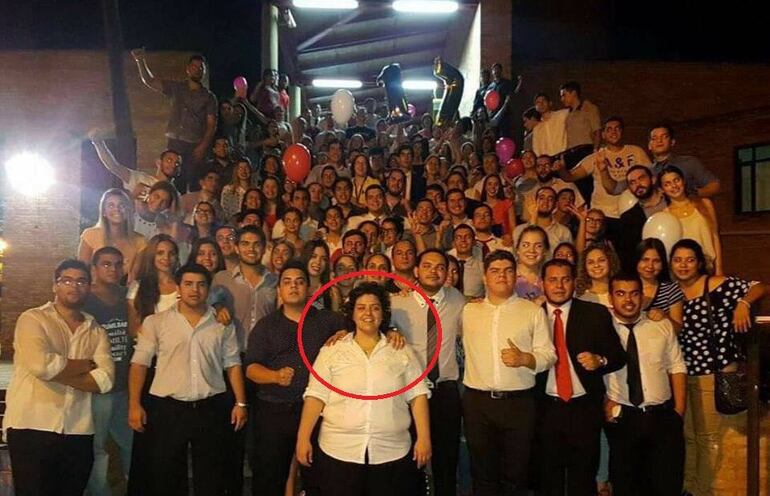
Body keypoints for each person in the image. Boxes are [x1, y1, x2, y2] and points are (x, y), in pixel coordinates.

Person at [296, 282, 432, 496]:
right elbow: (315, 396)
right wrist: (303, 438)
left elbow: (418, 396)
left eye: (375, 307)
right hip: (339, 450)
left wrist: (424, 438)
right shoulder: (332, 350)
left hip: (391, 450)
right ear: (351, 313)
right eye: (361, 307)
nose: (368, 313)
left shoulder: (401, 350)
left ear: (383, 314)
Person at [128, 264, 247, 496]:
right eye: (189, 284)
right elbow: (139, 364)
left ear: (208, 289)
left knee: (211, 475)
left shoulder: (222, 324)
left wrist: (241, 403)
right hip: (167, 408)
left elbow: (233, 364)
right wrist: (134, 405)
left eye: (201, 284)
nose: (195, 290)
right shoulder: (156, 322)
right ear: (179, 287)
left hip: (210, 407)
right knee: (167, 475)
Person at [3, 259, 114, 496]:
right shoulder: (32, 319)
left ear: (89, 287)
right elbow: (40, 365)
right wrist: (86, 365)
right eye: (67, 280)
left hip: (78, 430)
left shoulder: (96, 330)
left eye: (81, 281)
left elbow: (105, 380)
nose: (74, 286)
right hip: (31, 425)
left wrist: (55, 372)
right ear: (55, 285)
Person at [669, 239, 769, 495]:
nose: (683, 265)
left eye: (689, 260)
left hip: (711, 373)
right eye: (678, 260)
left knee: (708, 437)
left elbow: (760, 286)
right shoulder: (671, 292)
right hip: (681, 373)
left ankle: (703, 490)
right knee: (688, 437)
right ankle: (688, 488)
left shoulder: (716, 284)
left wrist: (744, 304)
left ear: (699, 263)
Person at [244, 261, 349, 496]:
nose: (293, 287)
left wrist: (345, 333)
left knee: (318, 477)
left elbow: (361, 328)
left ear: (309, 289)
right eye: (287, 282)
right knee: (269, 476)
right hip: (274, 411)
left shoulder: (327, 320)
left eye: (300, 282)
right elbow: (251, 368)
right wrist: (274, 376)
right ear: (279, 289)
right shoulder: (266, 326)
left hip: (317, 411)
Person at [462, 250, 556, 495]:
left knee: (516, 475)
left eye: (508, 270)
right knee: (482, 474)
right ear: (485, 277)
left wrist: (526, 358)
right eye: (495, 271)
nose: (502, 276)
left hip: (519, 404)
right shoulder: (468, 311)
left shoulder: (532, 311)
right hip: (478, 404)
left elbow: (549, 354)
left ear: (516, 276)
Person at [537, 258, 625, 496]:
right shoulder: (531, 316)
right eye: (552, 280)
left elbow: (618, 356)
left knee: (583, 478)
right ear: (542, 283)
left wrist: (600, 360)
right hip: (545, 408)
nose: (559, 286)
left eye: (565, 279)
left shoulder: (594, 313)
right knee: (548, 479)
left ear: (574, 282)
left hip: (584, 409)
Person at [602, 273, 687, 496]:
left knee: (666, 485)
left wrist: (679, 412)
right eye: (621, 294)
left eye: (634, 294)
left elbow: (677, 366)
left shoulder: (661, 325)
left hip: (662, 417)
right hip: (623, 419)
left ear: (642, 296)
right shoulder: (602, 328)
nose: (628, 300)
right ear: (611, 298)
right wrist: (604, 404)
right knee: (626, 486)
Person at [390, 249, 466, 496]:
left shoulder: (458, 301)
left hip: (445, 391)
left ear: (447, 273)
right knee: (410, 458)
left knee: (447, 459)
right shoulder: (396, 304)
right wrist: (390, 331)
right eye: (427, 266)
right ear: (416, 270)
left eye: (440, 267)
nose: (434, 271)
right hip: (410, 393)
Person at [130, 50, 217, 193]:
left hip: (193, 144)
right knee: (172, 180)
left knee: (193, 182)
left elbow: (211, 124)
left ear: (204, 72)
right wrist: (140, 60)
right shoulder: (176, 88)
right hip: (174, 143)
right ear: (188, 69)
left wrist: (203, 146)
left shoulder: (208, 97)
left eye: (201, 68)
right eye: (194, 66)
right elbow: (150, 81)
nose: (197, 70)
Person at [84, 248, 134, 496]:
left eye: (117, 264)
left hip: (125, 384)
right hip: (98, 387)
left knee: (131, 443)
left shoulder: (128, 297)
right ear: (94, 268)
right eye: (106, 264)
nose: (113, 269)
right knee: (98, 446)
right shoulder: (84, 298)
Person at [211, 225, 278, 353]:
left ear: (264, 249)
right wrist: (218, 307)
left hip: (266, 354)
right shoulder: (221, 279)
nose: (251, 249)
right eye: (245, 244)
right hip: (231, 355)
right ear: (237, 248)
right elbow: (210, 306)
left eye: (256, 244)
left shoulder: (275, 281)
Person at [659, 165, 723, 275]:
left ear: (683, 181)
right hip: (682, 272)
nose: (674, 186)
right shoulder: (665, 216)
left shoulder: (705, 204)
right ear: (662, 189)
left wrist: (719, 269)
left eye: (676, 180)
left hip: (708, 268)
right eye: (667, 184)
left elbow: (715, 236)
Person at [78, 188, 147, 277]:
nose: (117, 209)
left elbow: (134, 278)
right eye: (111, 205)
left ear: (128, 210)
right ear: (104, 212)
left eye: (122, 205)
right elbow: (81, 272)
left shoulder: (140, 241)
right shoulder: (90, 235)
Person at [91, 139, 181, 202]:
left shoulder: (177, 196)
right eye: (169, 161)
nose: (173, 165)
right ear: (158, 162)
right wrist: (98, 143)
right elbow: (114, 166)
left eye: (177, 163)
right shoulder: (140, 179)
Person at [616, 165, 667, 272]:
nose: (638, 185)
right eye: (632, 182)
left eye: (641, 178)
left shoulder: (672, 200)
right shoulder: (628, 219)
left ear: (653, 180)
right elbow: (628, 255)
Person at [648, 124, 720, 198]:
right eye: (654, 138)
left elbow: (714, 185)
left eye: (664, 137)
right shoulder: (648, 172)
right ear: (649, 145)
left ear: (672, 142)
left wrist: (693, 195)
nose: (659, 141)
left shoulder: (689, 162)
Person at [634, 238, 684, 330]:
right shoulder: (625, 286)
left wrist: (665, 317)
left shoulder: (671, 290)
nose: (650, 266)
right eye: (645, 259)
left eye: (656, 261)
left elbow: (678, 329)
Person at [514, 186, 573, 250]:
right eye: (541, 198)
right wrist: (533, 218)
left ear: (555, 204)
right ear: (535, 201)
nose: (545, 202)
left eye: (550, 199)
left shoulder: (564, 232)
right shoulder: (519, 230)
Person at [576, 244, 621, 308]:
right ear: (584, 267)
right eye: (591, 262)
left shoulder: (621, 293)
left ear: (610, 262)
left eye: (601, 260)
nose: (596, 265)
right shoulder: (580, 298)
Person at [447, 223, 485, 298]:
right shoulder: (445, 266)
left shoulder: (482, 268)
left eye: (467, 237)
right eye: (458, 237)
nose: (463, 240)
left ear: (474, 242)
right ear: (453, 243)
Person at [514, 225, 549, 304]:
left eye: (538, 246)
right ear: (517, 249)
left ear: (545, 251)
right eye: (526, 245)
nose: (531, 250)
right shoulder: (507, 276)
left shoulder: (550, 278)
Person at [301, 240, 334, 310]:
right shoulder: (295, 287)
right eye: (313, 256)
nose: (318, 262)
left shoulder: (332, 293)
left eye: (323, 259)